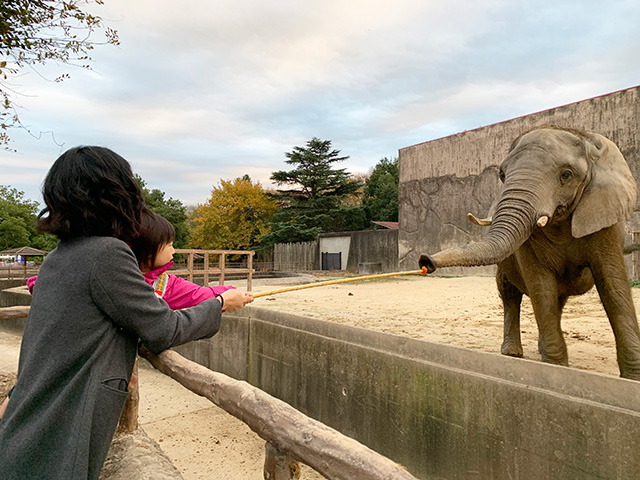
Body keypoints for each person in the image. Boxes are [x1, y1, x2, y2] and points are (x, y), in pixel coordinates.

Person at [0, 146, 252, 479]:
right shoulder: (108, 254)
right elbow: (163, 329)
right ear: (117, 195)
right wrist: (219, 304)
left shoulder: (56, 259)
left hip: (29, 419)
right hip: (63, 422)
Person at [128, 210, 250, 310]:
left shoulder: (164, 283)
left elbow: (199, 294)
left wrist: (231, 292)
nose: (173, 251)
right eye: (170, 245)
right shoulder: (124, 280)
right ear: (150, 249)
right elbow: (196, 295)